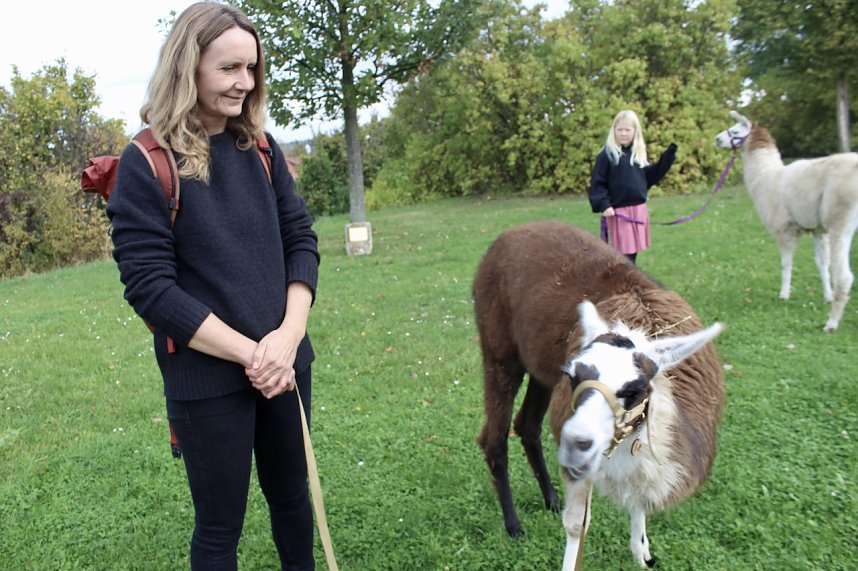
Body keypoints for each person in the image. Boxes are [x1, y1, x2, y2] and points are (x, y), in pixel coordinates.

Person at [106, 3, 319, 569]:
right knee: (220, 529)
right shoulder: (146, 162)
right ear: (188, 66)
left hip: (285, 365)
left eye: (251, 69)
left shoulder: (263, 149)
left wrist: (288, 338)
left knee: (295, 504)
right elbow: (151, 289)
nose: (244, 83)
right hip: (207, 381)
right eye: (229, 68)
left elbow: (301, 242)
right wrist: (254, 354)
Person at [588, 109, 677, 264]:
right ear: (613, 131)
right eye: (619, 130)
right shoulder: (607, 155)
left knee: (632, 254)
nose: (623, 133)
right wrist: (604, 204)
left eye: (627, 130)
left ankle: (627, 280)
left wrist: (667, 158)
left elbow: (649, 178)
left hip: (637, 211)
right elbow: (598, 182)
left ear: (635, 131)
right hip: (619, 213)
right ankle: (621, 282)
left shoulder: (637, 155)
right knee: (622, 255)